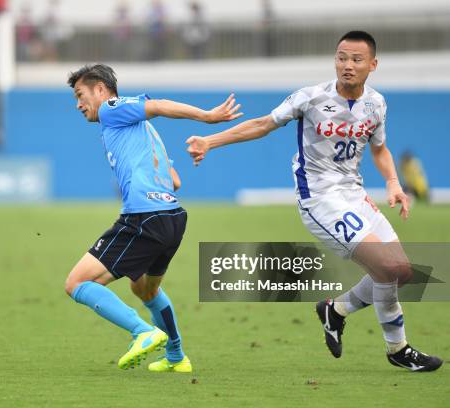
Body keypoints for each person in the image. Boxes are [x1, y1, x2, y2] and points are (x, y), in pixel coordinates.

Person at [186, 31, 442, 372]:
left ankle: (335, 310)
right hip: (320, 199)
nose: (347, 66)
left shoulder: (376, 104)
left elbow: (379, 148)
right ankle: (398, 349)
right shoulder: (310, 98)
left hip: (355, 194)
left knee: (403, 272)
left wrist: (394, 183)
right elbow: (263, 124)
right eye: (341, 58)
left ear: (373, 65)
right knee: (387, 269)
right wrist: (210, 141)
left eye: (356, 60)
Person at [66, 64, 242, 372]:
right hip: (173, 218)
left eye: (81, 95)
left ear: (100, 90)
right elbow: (175, 181)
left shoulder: (111, 109)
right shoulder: (141, 132)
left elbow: (158, 105)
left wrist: (208, 117)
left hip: (144, 216)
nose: (78, 104)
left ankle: (143, 331)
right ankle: (176, 355)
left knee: (76, 282)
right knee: (144, 289)